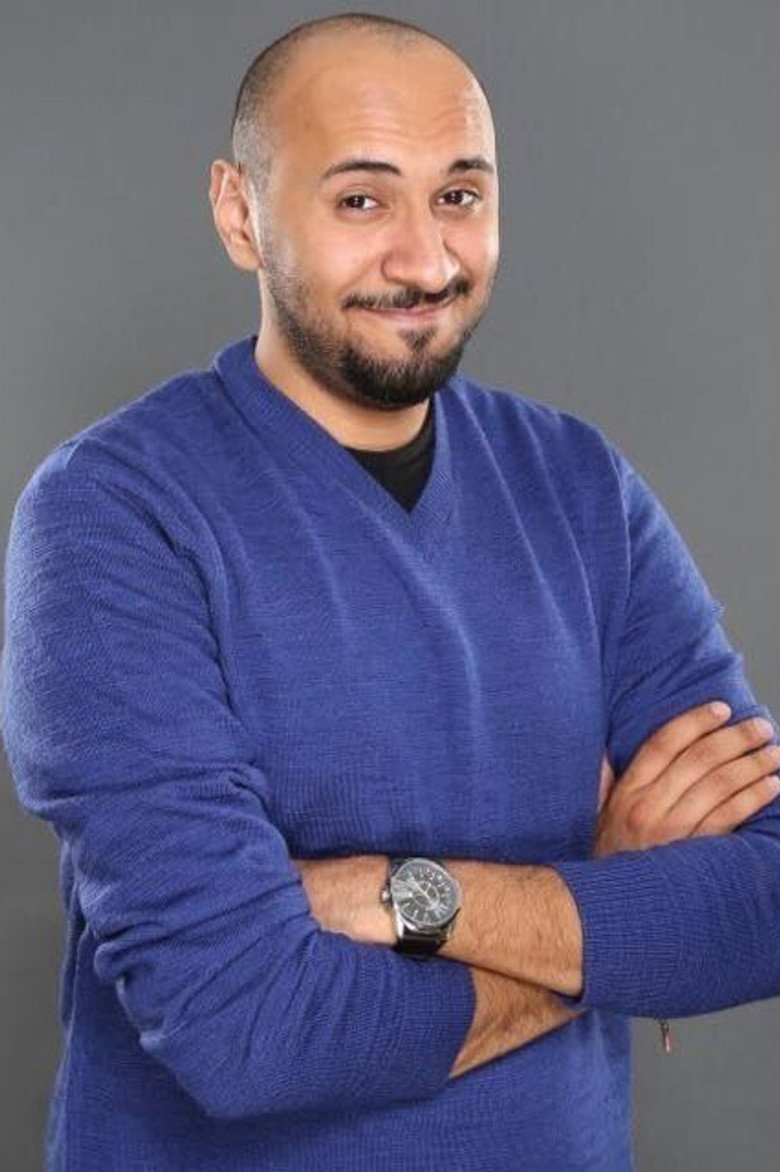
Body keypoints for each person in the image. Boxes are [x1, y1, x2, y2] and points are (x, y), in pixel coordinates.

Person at [2, 12, 779, 1171]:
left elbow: (763, 897)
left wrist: (400, 893)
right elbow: (247, 1026)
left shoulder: (579, 487)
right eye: (362, 200)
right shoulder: (115, 514)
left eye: (459, 195)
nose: (424, 260)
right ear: (240, 213)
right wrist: (606, 911)